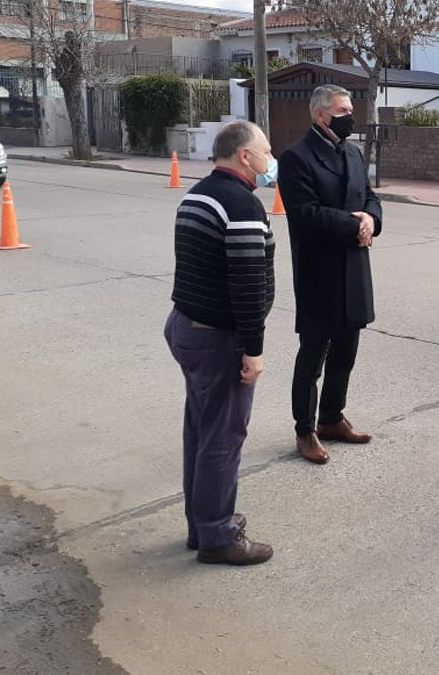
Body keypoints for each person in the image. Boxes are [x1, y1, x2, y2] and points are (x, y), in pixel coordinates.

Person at [164, 120, 277, 566]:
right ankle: (217, 535)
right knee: (222, 437)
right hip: (217, 337)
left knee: (201, 430)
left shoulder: (199, 194)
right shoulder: (241, 204)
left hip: (188, 326)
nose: (271, 159)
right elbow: (247, 284)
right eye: (266, 151)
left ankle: (203, 524)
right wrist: (253, 349)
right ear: (245, 156)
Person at [277, 84, 383, 465]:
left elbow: (369, 196)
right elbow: (305, 214)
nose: (350, 117)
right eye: (342, 111)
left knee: (345, 353)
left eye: (350, 110)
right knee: (313, 356)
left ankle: (332, 418)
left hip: (354, 267)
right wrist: (355, 226)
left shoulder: (352, 152)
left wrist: (371, 219)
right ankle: (305, 429)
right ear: (321, 115)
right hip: (319, 271)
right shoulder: (296, 158)